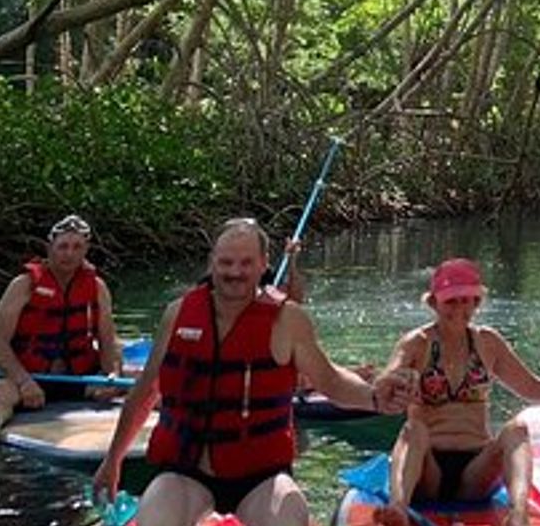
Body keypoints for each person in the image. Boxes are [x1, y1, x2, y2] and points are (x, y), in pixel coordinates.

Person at [92, 218, 411, 526]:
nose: (235, 272)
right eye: (226, 263)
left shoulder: (288, 320)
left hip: (261, 477)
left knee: (288, 516)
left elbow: (331, 381)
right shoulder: (178, 314)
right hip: (186, 470)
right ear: (212, 263)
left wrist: (374, 398)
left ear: (263, 264)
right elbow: (144, 394)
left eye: (245, 263)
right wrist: (112, 461)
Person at [375, 257, 540, 526]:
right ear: (434, 303)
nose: (458, 308)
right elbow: (385, 379)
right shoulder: (417, 343)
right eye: (450, 301)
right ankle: (399, 507)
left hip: (475, 470)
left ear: (476, 302)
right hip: (428, 470)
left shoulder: (488, 342)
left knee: (517, 429)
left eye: (465, 300)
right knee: (412, 430)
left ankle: (519, 513)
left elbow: (532, 388)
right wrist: (397, 379)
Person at [0, 213, 125, 448]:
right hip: (32, 378)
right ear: (50, 248)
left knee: (137, 379)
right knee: (2, 394)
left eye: (77, 247)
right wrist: (24, 382)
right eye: (63, 246)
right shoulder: (23, 286)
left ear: (86, 250)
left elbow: (109, 341)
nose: (69, 253)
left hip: (79, 378)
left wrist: (112, 376)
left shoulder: (96, 287)